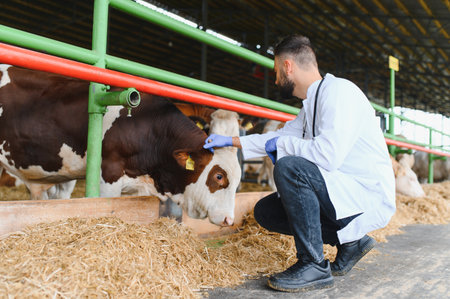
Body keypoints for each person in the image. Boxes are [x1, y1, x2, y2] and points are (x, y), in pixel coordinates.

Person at [203, 34, 396, 292]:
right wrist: (230, 141)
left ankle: (313, 264)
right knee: (266, 212)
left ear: (288, 67)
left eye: (275, 72)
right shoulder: (311, 105)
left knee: (290, 166)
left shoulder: (339, 92)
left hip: (365, 193)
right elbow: (280, 137)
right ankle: (351, 243)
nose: (275, 80)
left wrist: (281, 147)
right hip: (341, 189)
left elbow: (328, 155)